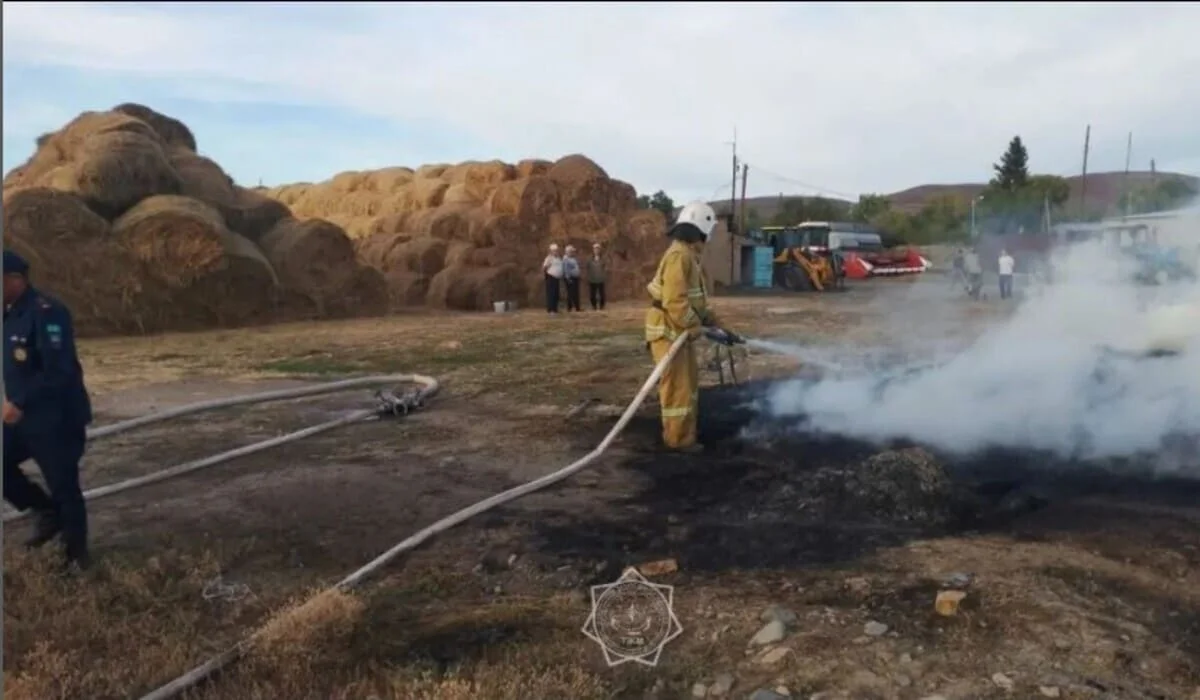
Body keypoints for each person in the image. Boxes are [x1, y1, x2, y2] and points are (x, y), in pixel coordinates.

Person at [3, 250, 93, 570]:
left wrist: (19, 402)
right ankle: (44, 512)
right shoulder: (10, 313)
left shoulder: (46, 312)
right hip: (25, 419)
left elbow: (58, 370)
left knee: (64, 486)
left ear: (15, 279)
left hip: (57, 418)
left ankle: (76, 559)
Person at [644, 201, 739, 453]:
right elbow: (675, 302)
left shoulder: (687, 256)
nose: (707, 239)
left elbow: (697, 304)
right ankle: (678, 442)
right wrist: (697, 328)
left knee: (687, 385)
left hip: (678, 332)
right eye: (706, 233)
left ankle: (684, 435)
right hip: (668, 331)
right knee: (678, 389)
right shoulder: (679, 256)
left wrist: (721, 327)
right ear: (698, 230)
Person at [542, 243, 563, 313]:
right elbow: (544, 267)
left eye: (556, 250)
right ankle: (550, 309)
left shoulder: (559, 258)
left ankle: (555, 308)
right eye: (554, 251)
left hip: (557, 278)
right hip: (551, 277)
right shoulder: (549, 258)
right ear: (551, 251)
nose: (556, 252)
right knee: (551, 294)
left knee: (556, 294)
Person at [586, 243, 607, 310]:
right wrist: (588, 277)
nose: (596, 250)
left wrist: (604, 275)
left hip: (601, 279)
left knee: (602, 294)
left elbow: (605, 267)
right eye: (595, 249)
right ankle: (594, 306)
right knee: (592, 294)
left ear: (600, 250)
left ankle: (601, 306)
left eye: (598, 249)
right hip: (592, 279)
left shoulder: (603, 258)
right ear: (593, 250)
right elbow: (587, 267)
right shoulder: (589, 258)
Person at [562, 245, 582, 312]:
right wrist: (568, 279)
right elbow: (566, 270)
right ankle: (569, 308)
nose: (573, 252)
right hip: (570, 278)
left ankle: (577, 307)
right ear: (568, 252)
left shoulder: (573, 258)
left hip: (575, 278)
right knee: (571, 293)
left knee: (576, 293)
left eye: (573, 251)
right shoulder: (566, 259)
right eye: (571, 251)